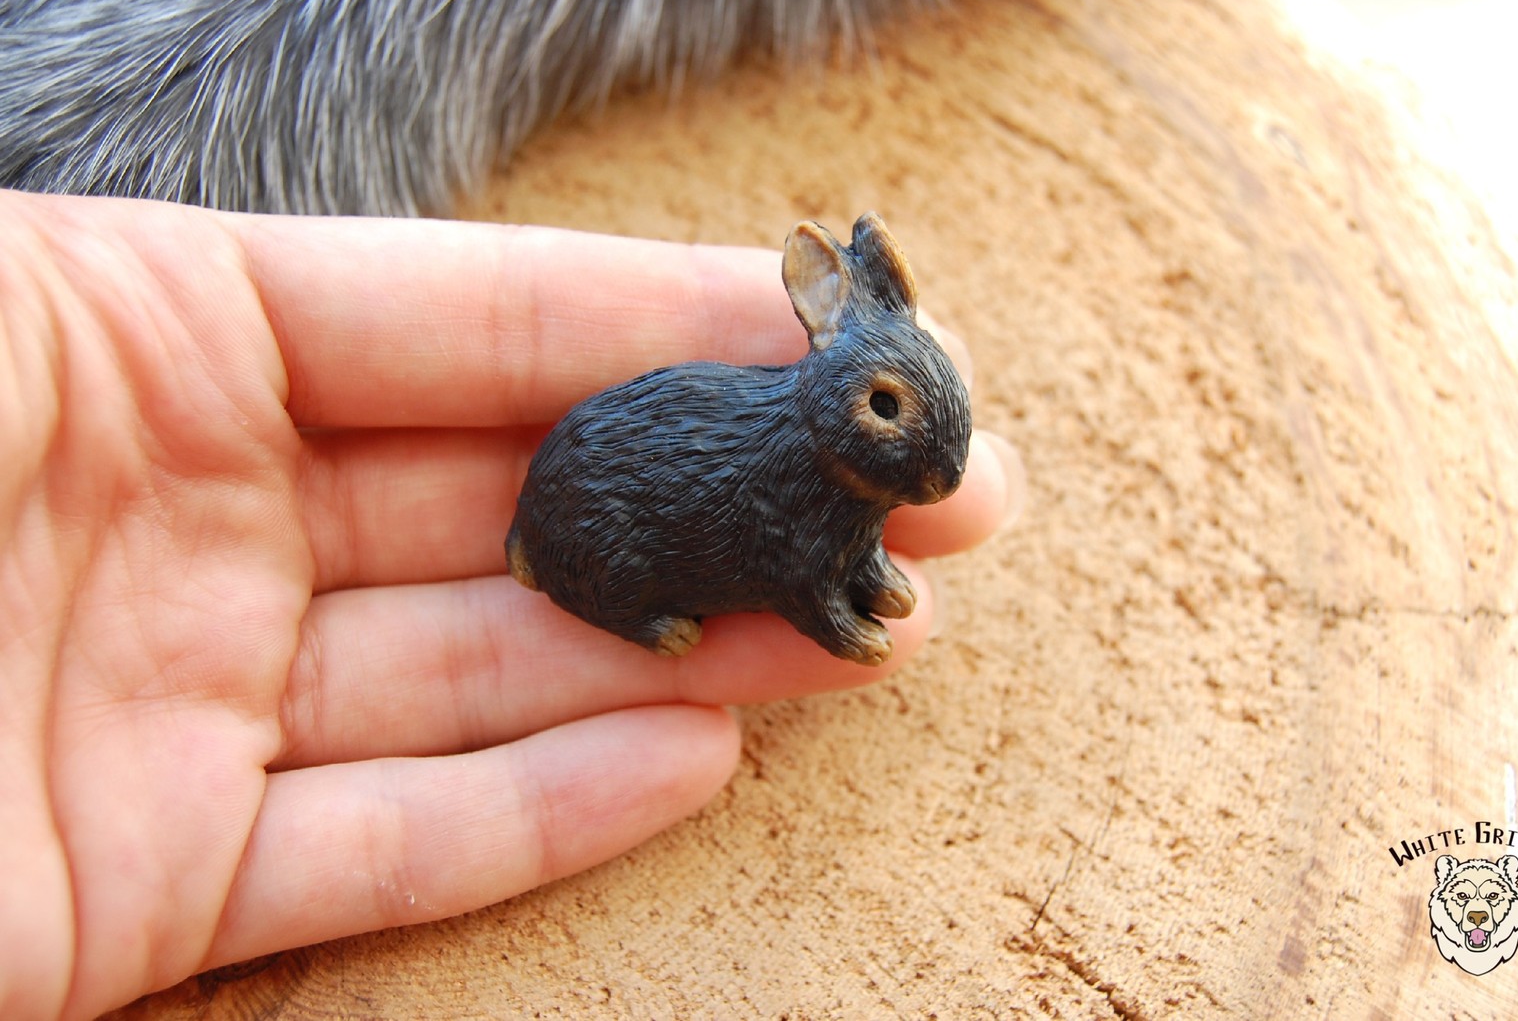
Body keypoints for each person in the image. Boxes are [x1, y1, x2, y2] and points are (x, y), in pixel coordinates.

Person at [0, 191, 1021, 1020]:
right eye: (885, 408)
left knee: (836, 550)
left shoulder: (838, 476)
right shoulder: (789, 469)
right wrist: (833, 611)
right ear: (824, 340)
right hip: (593, 529)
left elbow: (834, 534)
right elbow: (792, 560)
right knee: (687, 565)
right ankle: (619, 606)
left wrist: (866, 554)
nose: (922, 464)